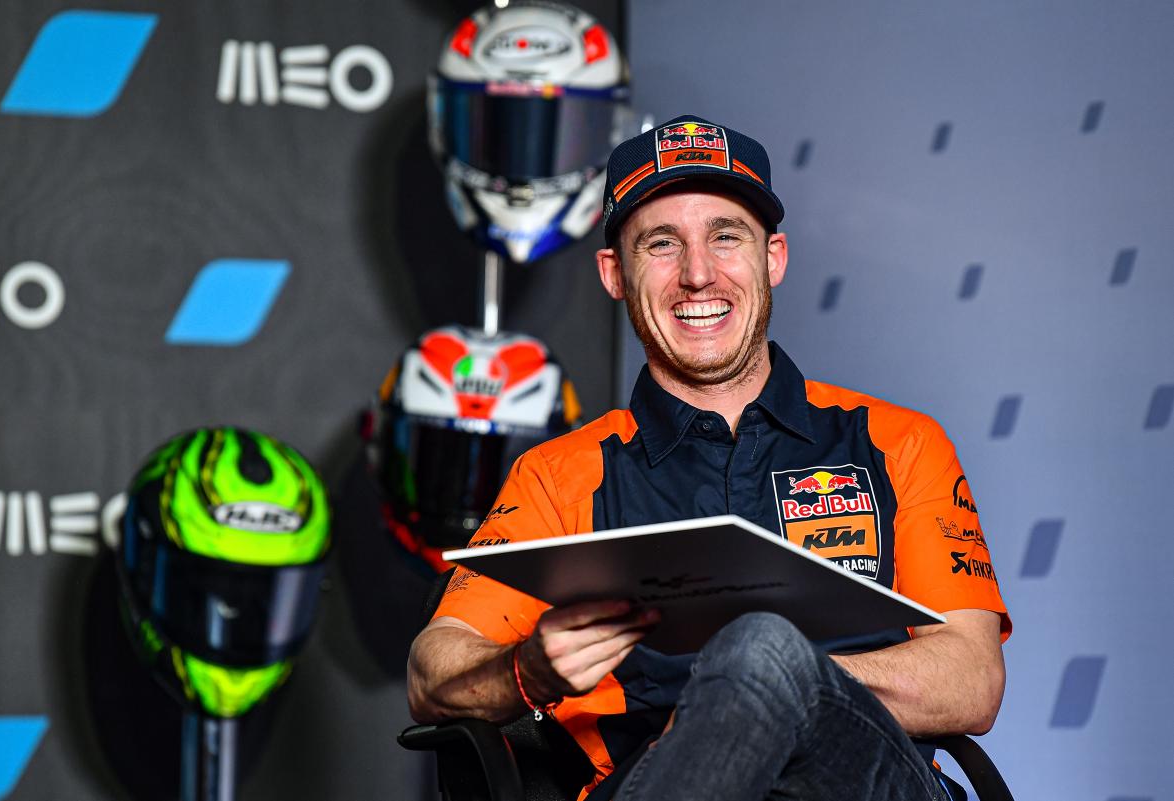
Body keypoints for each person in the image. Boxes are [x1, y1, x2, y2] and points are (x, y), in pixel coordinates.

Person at [407, 114, 1011, 801]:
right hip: (650, 778)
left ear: (772, 258)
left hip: (865, 780)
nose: (698, 275)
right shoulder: (559, 475)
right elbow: (432, 669)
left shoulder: (897, 442)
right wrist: (529, 671)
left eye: (726, 237)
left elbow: (972, 678)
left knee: (761, 648)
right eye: (662, 244)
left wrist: (768, 682)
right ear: (615, 273)